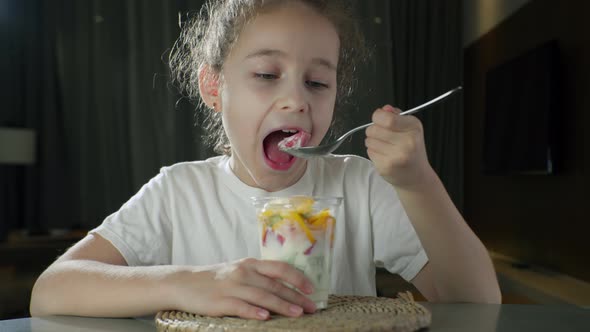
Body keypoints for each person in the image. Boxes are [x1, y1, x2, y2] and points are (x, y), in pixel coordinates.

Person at [30, 0, 501, 320]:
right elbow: (50, 291)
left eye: (317, 82)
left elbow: (477, 302)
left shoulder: (358, 183)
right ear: (214, 88)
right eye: (265, 74)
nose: (296, 100)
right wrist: (190, 283)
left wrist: (418, 183)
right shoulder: (178, 192)